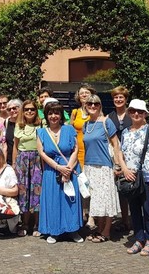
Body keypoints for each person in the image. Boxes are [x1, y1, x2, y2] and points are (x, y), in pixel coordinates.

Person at [36, 101, 83, 244]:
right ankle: (54, 230)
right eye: (50, 113)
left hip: (70, 168)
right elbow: (42, 153)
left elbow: (76, 149)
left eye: (56, 113)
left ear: (61, 115)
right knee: (53, 201)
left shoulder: (69, 129)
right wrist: (58, 168)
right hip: (52, 171)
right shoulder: (41, 132)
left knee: (70, 200)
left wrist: (67, 168)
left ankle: (72, 230)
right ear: (46, 115)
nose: (53, 116)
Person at [118, 99, 149, 256]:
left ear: (145, 114)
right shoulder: (125, 132)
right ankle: (139, 238)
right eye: (133, 111)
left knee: (148, 209)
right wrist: (124, 169)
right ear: (129, 113)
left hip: (147, 175)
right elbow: (120, 154)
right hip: (130, 176)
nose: (136, 114)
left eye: (140, 111)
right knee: (134, 210)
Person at [81, 94, 121, 243]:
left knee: (106, 199)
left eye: (96, 104)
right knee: (95, 199)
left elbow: (116, 144)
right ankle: (98, 228)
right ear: (85, 106)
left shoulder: (106, 122)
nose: (92, 106)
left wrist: (117, 165)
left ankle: (106, 231)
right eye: (90, 104)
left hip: (104, 166)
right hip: (89, 165)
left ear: (100, 106)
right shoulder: (86, 125)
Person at [12, 100, 42, 237]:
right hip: (22, 160)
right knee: (23, 191)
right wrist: (13, 163)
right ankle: (24, 223)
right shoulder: (19, 126)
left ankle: (36, 224)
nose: (29, 112)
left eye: (32, 109)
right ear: (23, 112)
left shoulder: (40, 125)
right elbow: (15, 146)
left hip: (36, 159)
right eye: (26, 109)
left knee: (37, 190)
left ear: (36, 111)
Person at [70, 84, 96, 228]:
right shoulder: (75, 112)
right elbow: (70, 129)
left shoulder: (95, 110)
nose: (84, 95)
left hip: (92, 153)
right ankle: (82, 213)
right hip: (77, 153)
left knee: (92, 185)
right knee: (80, 184)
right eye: (82, 93)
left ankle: (92, 216)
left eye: (87, 93)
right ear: (78, 97)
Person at [107, 86, 132, 232]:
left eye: (121, 97)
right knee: (121, 188)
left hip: (131, 156)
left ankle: (135, 218)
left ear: (125, 99)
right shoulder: (110, 117)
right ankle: (124, 220)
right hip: (115, 156)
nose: (118, 99)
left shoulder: (133, 114)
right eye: (116, 97)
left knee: (133, 188)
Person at [4, 99, 21, 165]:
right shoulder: (6, 122)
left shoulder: (25, 122)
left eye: (14, 108)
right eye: (9, 109)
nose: (12, 111)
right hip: (9, 160)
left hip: (23, 159)